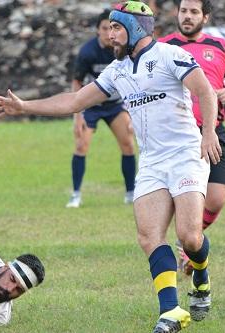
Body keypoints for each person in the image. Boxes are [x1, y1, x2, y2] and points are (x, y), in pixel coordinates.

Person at [0, 2, 221, 332]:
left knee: (190, 237)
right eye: (109, 28)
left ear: (136, 28)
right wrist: (25, 105)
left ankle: (201, 274)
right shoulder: (116, 70)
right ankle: (170, 311)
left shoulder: (171, 55)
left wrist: (209, 131)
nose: (109, 34)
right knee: (149, 236)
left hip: (185, 153)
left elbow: (204, 91)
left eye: (116, 28)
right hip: (153, 161)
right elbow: (73, 101)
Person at [159, 0, 225, 275]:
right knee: (182, 197)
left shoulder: (221, 46)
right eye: (183, 11)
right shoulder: (164, 48)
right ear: (177, 14)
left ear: (205, 17)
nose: (187, 17)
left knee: (215, 199)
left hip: (214, 130)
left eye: (193, 12)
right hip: (178, 136)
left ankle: (189, 242)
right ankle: (189, 246)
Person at [66, 9, 136, 208]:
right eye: (104, 28)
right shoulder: (88, 52)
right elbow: (77, 82)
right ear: (97, 30)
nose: (108, 33)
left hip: (115, 105)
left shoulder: (123, 50)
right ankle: (76, 194)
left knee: (128, 144)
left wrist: (131, 111)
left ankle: (131, 192)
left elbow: (133, 81)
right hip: (91, 106)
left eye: (113, 28)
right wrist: (77, 117)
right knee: (81, 145)